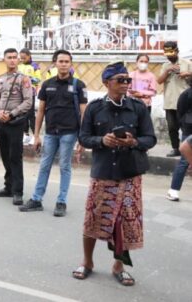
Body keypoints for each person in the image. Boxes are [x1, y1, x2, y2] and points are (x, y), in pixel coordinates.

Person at [74, 62, 156, 287]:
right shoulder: (94, 108)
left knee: (126, 224)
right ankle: (87, 262)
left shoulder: (138, 108)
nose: (125, 84)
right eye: (120, 80)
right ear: (106, 82)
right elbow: (83, 137)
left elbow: (151, 139)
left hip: (129, 175)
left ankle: (118, 266)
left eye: (128, 80)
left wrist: (134, 142)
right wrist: (102, 140)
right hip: (103, 173)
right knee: (93, 219)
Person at [21, 49, 87, 216]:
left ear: (70, 64)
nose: (63, 64)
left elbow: (84, 113)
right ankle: (36, 199)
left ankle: (61, 202)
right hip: (50, 132)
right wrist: (36, 135)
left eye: (67, 61)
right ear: (55, 63)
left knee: (65, 166)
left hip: (69, 133)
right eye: (60, 61)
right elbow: (41, 111)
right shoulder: (47, 84)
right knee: (44, 166)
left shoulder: (79, 85)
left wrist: (83, 138)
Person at [0, 48, 33, 205]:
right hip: (2, 122)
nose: (12, 60)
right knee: (5, 155)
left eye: (15, 57)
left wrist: (12, 113)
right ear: (4, 59)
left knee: (15, 157)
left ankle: (18, 191)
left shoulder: (24, 79)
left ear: (18, 60)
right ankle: (8, 186)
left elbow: (28, 101)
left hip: (16, 122)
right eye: (9, 57)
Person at [157, 41, 192, 157]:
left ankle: (187, 149)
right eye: (166, 52)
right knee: (172, 127)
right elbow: (159, 81)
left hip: (185, 103)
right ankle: (175, 148)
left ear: (177, 51)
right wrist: (168, 71)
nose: (169, 55)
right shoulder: (164, 66)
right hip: (169, 102)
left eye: (171, 52)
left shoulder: (187, 63)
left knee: (187, 126)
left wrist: (187, 74)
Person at [167, 77, 192, 201]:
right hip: (189, 129)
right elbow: (180, 112)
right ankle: (173, 190)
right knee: (184, 160)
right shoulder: (186, 94)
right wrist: (185, 126)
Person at [18, 48, 42, 145]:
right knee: (22, 114)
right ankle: (25, 135)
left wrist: (27, 79)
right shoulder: (19, 66)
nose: (23, 60)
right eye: (21, 58)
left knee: (30, 114)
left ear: (29, 55)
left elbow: (38, 80)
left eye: (24, 58)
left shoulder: (35, 66)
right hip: (20, 93)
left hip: (30, 93)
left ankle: (35, 135)